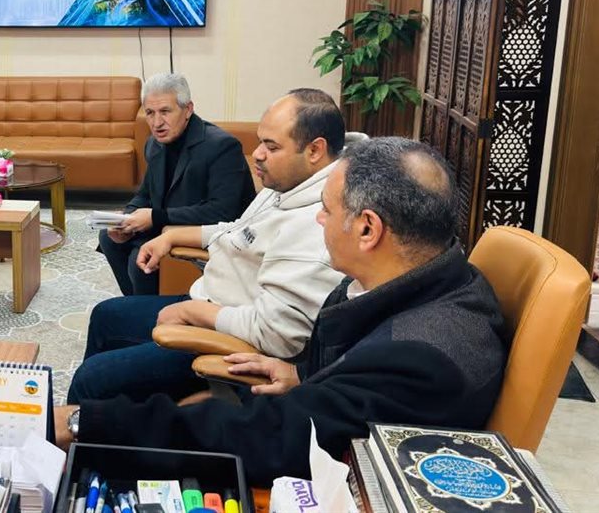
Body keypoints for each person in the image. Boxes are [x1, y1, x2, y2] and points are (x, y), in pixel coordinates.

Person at [54, 138, 508, 486]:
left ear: (368, 229)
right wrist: (303, 376)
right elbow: (348, 390)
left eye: (327, 210)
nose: (319, 220)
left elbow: (265, 437)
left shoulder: (419, 359)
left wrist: (86, 423)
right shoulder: (446, 278)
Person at [69, 89, 357, 404]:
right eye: (260, 142)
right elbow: (237, 229)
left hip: (232, 339)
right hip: (213, 302)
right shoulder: (286, 185)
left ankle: (89, 422)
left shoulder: (317, 223)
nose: (257, 154)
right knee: (106, 315)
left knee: (90, 380)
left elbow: (276, 335)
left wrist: (193, 311)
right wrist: (171, 237)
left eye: (271, 146)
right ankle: (106, 422)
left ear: (315, 150)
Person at [99, 73, 256, 296]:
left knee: (138, 260)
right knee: (108, 237)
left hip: (207, 232)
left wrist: (156, 217)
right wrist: (126, 217)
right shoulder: (154, 144)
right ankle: (135, 305)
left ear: (188, 109)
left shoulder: (221, 147)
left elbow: (223, 212)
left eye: (165, 111)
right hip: (168, 222)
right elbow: (145, 194)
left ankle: (150, 310)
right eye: (150, 113)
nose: (156, 123)